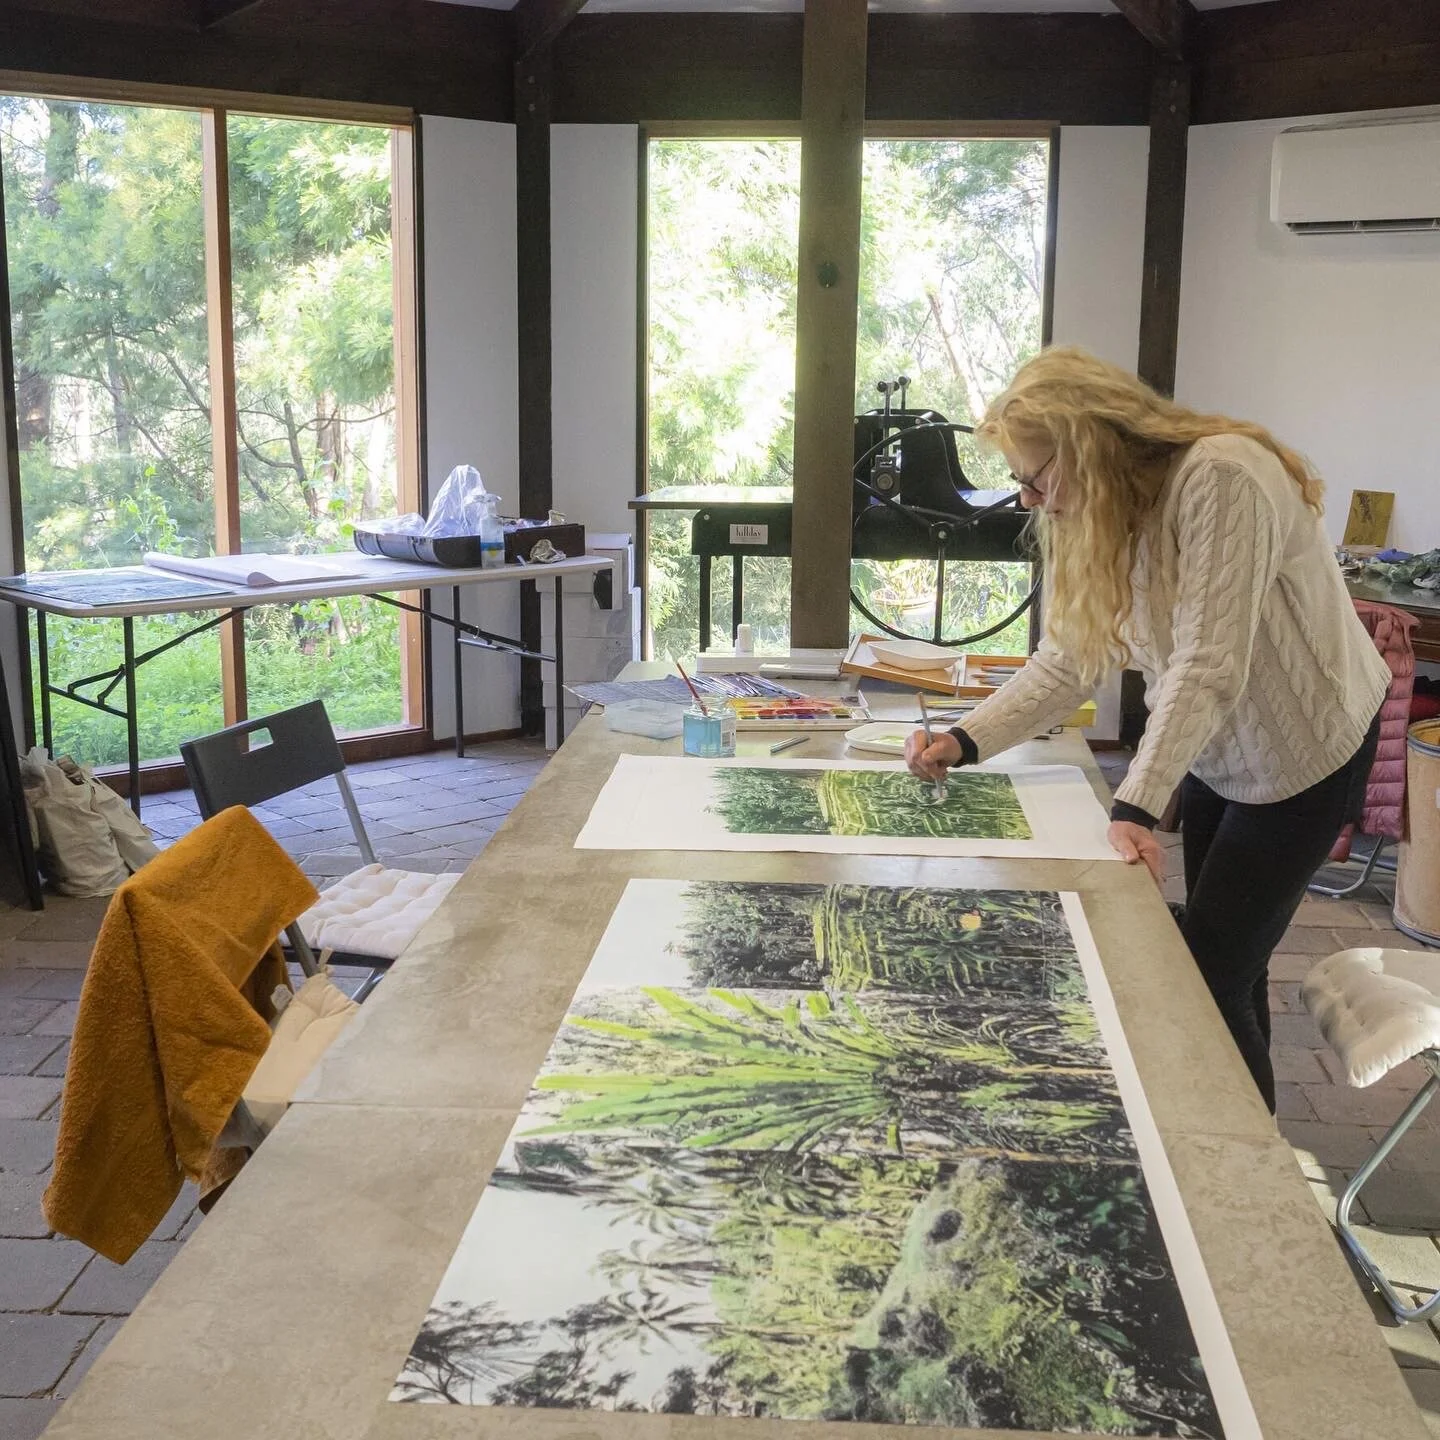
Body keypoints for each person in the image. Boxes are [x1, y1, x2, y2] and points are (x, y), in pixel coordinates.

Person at [905, 347, 1388, 1112]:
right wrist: (964, 740)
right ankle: (1260, 1129)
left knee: (1207, 971)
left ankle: (1247, 1168)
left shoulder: (1222, 476)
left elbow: (1206, 663)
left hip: (1307, 749)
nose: (1028, 499)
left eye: (1036, 478)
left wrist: (1132, 806)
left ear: (1089, 449)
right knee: (1233, 962)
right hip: (1220, 748)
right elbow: (1066, 661)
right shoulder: (1098, 511)